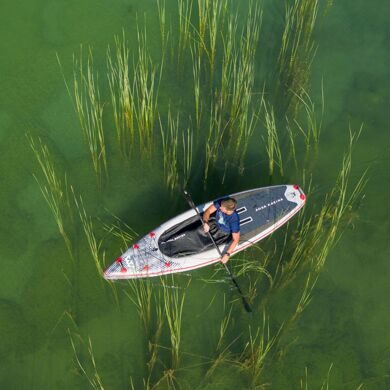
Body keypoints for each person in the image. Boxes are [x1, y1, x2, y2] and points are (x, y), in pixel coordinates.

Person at [202, 197, 240, 264]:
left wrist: (227, 254)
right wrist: (205, 222)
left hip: (223, 233)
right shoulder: (221, 202)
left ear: (226, 210)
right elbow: (208, 211)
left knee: (205, 244)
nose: (219, 207)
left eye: (221, 207)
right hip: (215, 223)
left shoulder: (234, 221)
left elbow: (236, 240)